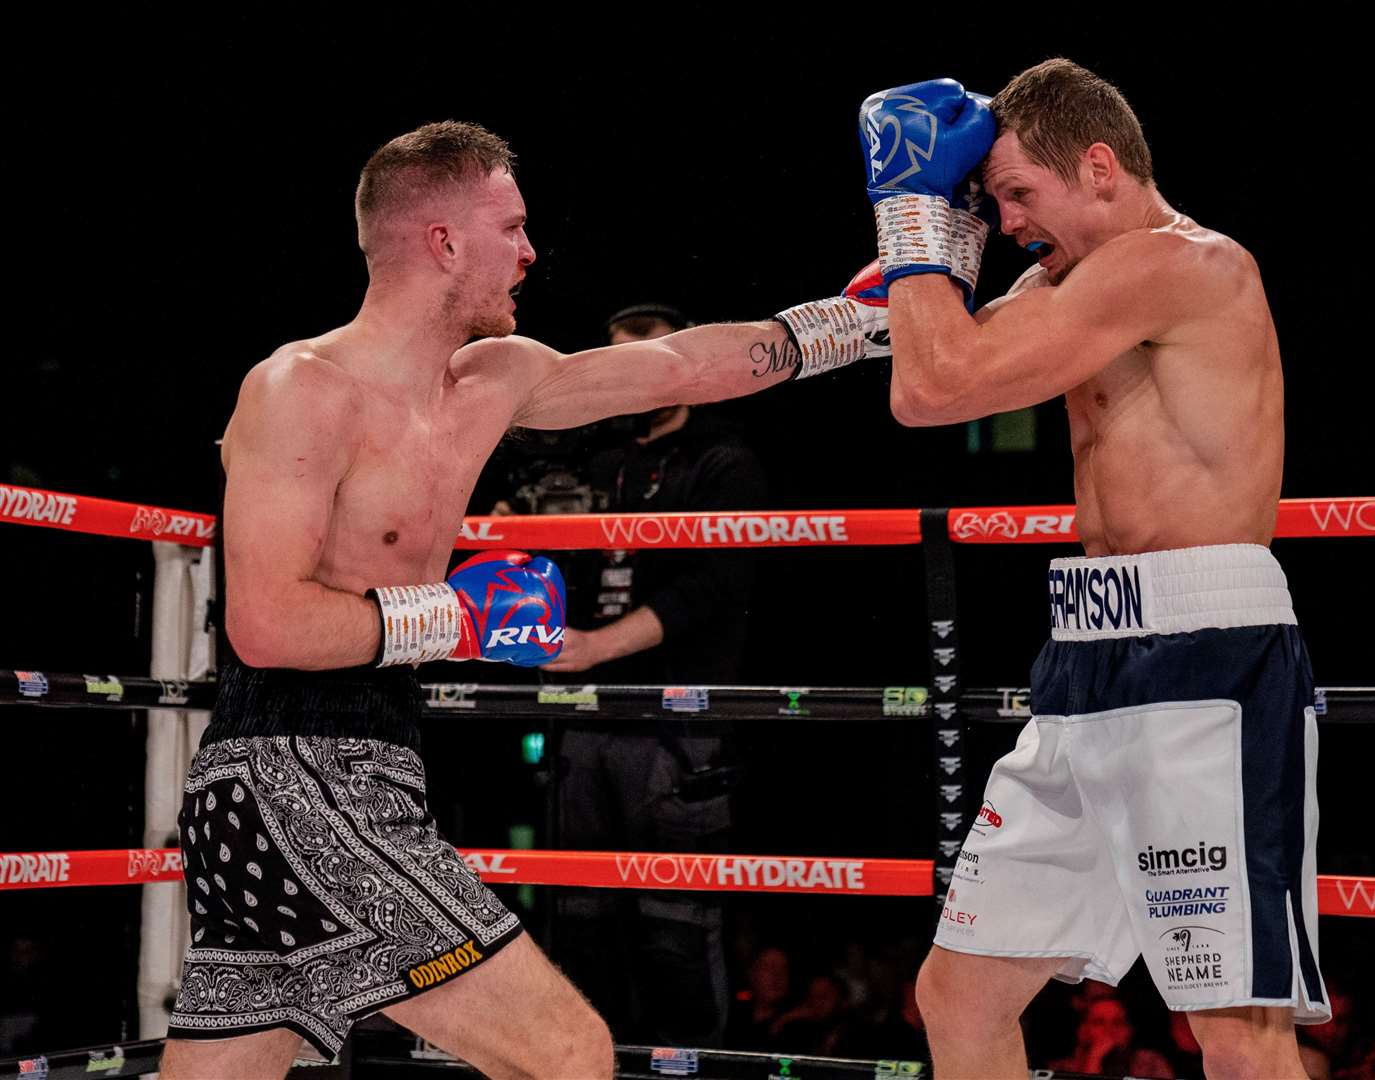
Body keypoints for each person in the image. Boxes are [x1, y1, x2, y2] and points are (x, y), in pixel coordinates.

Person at [158, 120, 884, 1079]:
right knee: (567, 1054)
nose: (533, 252)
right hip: (291, 771)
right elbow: (266, 621)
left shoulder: (492, 379)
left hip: (364, 762)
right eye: (513, 226)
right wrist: (454, 616)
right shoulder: (301, 389)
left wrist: (856, 322)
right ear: (444, 241)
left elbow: (676, 369)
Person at [842, 62, 1327, 1077]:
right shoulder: (1059, 285)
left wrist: (911, 213)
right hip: (1083, 662)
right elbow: (921, 373)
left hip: (1208, 669)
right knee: (960, 992)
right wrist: (933, 249)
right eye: (995, 200)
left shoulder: (1184, 264)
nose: (1010, 219)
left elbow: (935, 384)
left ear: (1099, 167)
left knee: (1236, 1026)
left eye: (1019, 194)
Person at [538, 302, 766, 1048]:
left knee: (675, 933)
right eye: (617, 362)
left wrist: (595, 648)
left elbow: (708, 590)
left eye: (649, 358)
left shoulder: (722, 463)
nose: (632, 378)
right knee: (579, 928)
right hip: (586, 723)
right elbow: (560, 570)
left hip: (676, 729)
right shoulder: (598, 465)